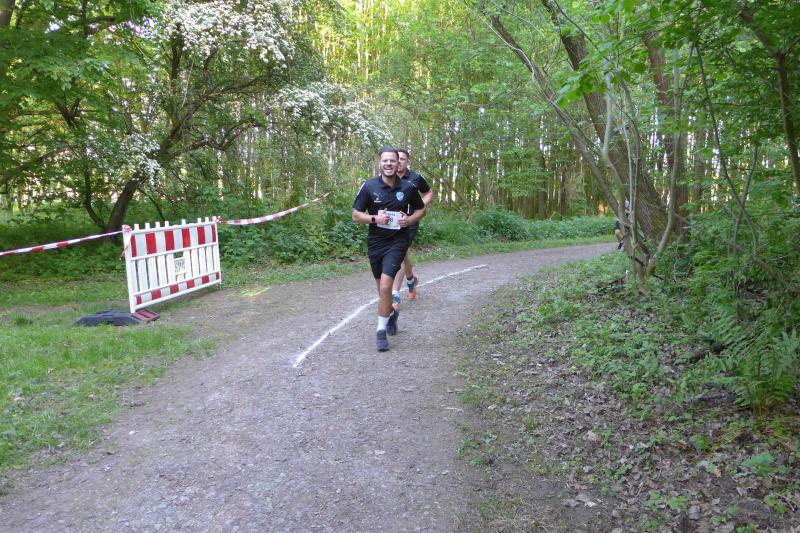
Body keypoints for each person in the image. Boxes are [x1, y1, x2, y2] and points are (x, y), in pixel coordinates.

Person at [352, 147, 427, 351]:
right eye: (385, 161)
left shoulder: (408, 187)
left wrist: (409, 220)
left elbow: (421, 209)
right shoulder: (369, 186)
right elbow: (356, 215)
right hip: (376, 243)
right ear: (380, 163)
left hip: (398, 242)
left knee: (386, 288)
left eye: (393, 161)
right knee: (381, 291)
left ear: (398, 163)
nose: (389, 164)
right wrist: (375, 218)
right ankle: (391, 314)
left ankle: (380, 332)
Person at [391, 149, 433, 309]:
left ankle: (395, 294)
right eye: (397, 159)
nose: (399, 162)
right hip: (392, 220)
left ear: (407, 162)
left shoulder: (415, 178)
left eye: (403, 159)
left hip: (410, 220)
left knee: (399, 252)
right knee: (402, 253)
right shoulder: (387, 177)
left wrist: (420, 206)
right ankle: (411, 279)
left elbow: (428, 193)